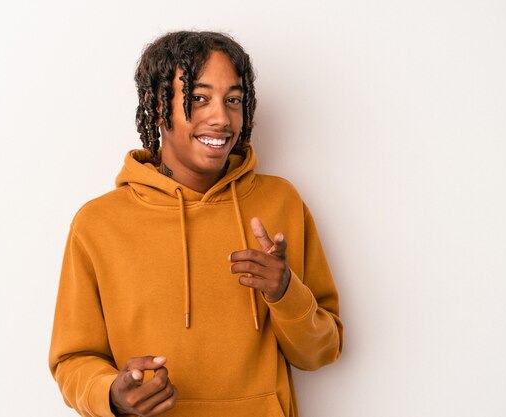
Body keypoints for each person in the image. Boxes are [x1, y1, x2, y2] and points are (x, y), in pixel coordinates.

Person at [49, 31, 344, 417]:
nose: (221, 118)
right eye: (199, 98)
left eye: (233, 100)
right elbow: (72, 360)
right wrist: (111, 396)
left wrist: (284, 292)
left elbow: (321, 352)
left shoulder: (279, 203)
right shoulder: (98, 223)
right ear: (158, 107)